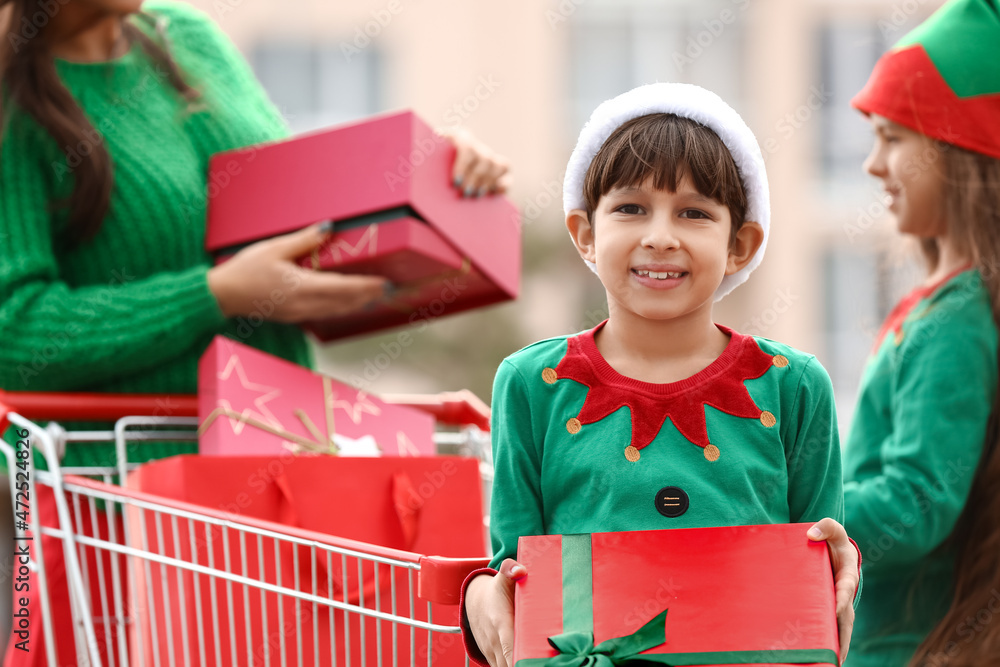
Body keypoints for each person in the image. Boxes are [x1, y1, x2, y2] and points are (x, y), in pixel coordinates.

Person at [0, 0, 511, 467]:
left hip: (274, 464)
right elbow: (12, 332)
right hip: (118, 499)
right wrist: (216, 294)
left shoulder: (185, 34)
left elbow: (292, 203)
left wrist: (429, 171)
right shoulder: (12, 103)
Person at [460, 83, 861, 667]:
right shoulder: (529, 384)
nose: (660, 236)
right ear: (586, 234)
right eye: (630, 208)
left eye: (695, 213)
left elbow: (821, 556)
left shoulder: (794, 385)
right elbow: (514, 568)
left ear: (740, 245)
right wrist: (481, 591)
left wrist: (843, 559)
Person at [843, 1, 1000, 665]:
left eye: (893, 136)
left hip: (908, 648)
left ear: (959, 148)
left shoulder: (955, 319)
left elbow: (915, 505)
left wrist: (797, 505)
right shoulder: (942, 305)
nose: (872, 164)